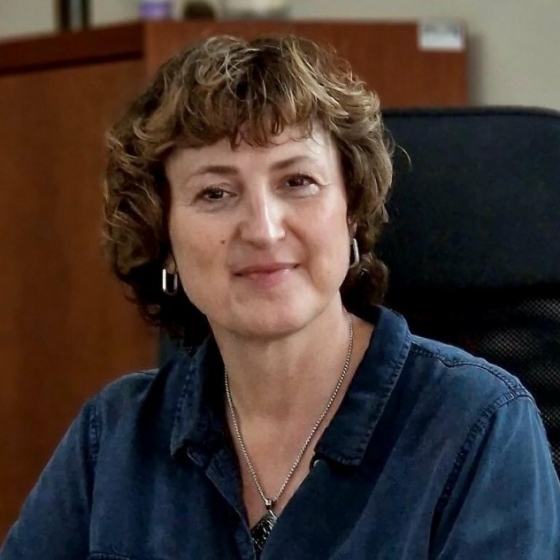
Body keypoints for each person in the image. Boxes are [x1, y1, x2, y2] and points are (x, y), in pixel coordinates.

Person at [1, 34, 559, 560]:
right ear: (162, 238)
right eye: (215, 193)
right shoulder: (113, 437)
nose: (264, 230)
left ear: (351, 213)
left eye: (297, 182)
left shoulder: (475, 425)